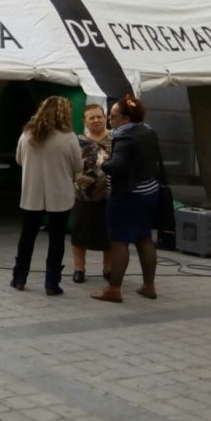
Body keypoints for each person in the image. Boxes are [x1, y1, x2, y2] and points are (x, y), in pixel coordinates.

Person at [92, 95, 163, 303]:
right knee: (144, 238)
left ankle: (114, 289)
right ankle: (149, 286)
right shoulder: (148, 130)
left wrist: (102, 162)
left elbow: (117, 167)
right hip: (149, 191)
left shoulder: (125, 137)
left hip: (127, 195)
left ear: (126, 118)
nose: (109, 119)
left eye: (113, 116)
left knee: (119, 241)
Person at [11, 96, 81, 295]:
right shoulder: (69, 137)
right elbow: (78, 166)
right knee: (57, 238)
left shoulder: (27, 135)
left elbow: (19, 160)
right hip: (60, 193)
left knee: (27, 235)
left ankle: (19, 278)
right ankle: (52, 283)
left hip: (32, 192)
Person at [71, 103, 112, 284]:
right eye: (92, 117)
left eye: (99, 117)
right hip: (84, 195)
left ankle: (108, 269)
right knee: (80, 233)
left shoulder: (116, 138)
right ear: (85, 121)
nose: (96, 120)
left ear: (105, 118)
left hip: (110, 195)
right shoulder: (78, 141)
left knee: (109, 234)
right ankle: (79, 269)